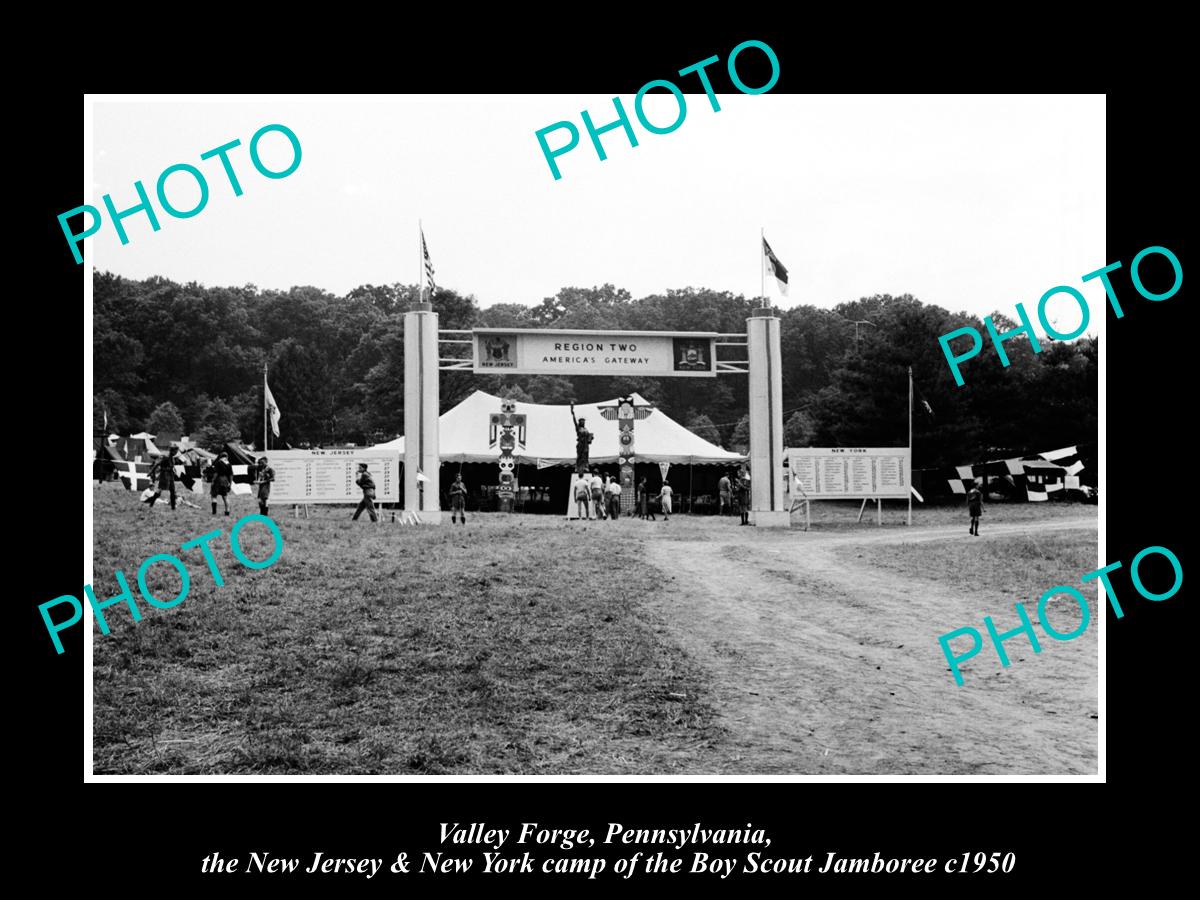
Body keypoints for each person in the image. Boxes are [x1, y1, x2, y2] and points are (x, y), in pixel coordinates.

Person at [570, 402, 593, 475]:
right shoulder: (578, 428)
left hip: (586, 444)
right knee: (579, 456)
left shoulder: (586, 429)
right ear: (579, 422)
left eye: (583, 421)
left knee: (585, 456)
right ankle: (577, 467)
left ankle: (586, 467)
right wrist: (572, 412)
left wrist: (591, 437)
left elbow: (589, 435)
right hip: (580, 444)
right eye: (581, 421)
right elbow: (574, 421)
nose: (583, 422)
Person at [209, 451, 233, 515]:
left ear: (220, 457)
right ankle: (227, 512)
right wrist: (230, 483)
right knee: (225, 497)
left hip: (218, 480)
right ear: (227, 457)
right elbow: (231, 475)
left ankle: (214, 512)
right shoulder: (229, 464)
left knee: (214, 496)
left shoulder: (218, 463)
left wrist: (213, 481)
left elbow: (216, 473)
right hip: (225, 481)